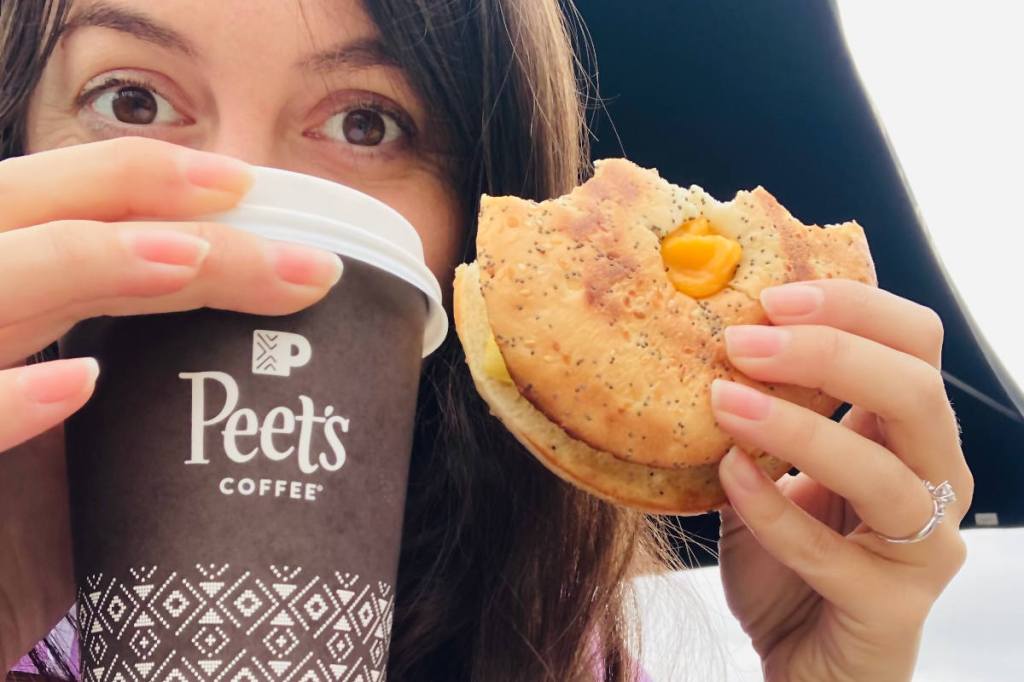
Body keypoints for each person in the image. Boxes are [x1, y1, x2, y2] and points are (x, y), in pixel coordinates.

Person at [0, 1, 973, 680]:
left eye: (366, 120)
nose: (247, 204)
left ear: (472, 227)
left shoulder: (543, 635)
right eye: (132, 100)